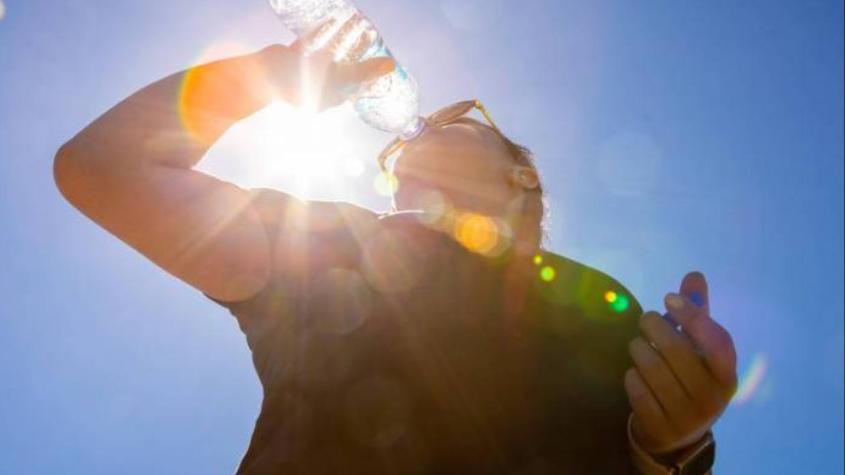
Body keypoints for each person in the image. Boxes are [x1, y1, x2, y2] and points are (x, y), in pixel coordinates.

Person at [54, 39, 738, 474]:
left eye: (451, 119)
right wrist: (260, 79)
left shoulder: (596, 300)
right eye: (392, 163)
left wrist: (673, 444)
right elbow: (102, 169)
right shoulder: (335, 246)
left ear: (520, 175)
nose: (412, 139)